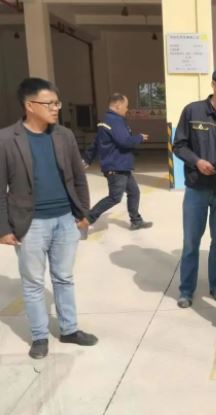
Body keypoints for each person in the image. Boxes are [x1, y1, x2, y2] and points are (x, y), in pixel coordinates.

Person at [0, 78, 98, 359]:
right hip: (29, 224)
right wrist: (4, 228)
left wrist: (83, 213)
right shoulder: (6, 139)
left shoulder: (64, 136)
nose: (56, 108)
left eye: (57, 103)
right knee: (33, 283)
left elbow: (79, 178)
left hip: (66, 220)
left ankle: (69, 330)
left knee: (64, 278)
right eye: (50, 103)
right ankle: (39, 337)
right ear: (29, 105)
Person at [173, 67, 216, 308]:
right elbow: (179, 145)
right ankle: (186, 290)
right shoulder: (193, 111)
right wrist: (197, 162)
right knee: (191, 243)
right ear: (213, 84)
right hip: (197, 188)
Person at [84, 93, 152, 231]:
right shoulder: (115, 121)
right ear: (118, 105)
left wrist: (87, 159)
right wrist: (139, 137)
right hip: (116, 166)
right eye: (126, 106)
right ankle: (86, 220)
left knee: (134, 192)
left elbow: (96, 142)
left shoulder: (107, 120)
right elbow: (124, 142)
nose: (127, 109)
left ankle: (136, 221)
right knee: (114, 197)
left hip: (122, 166)